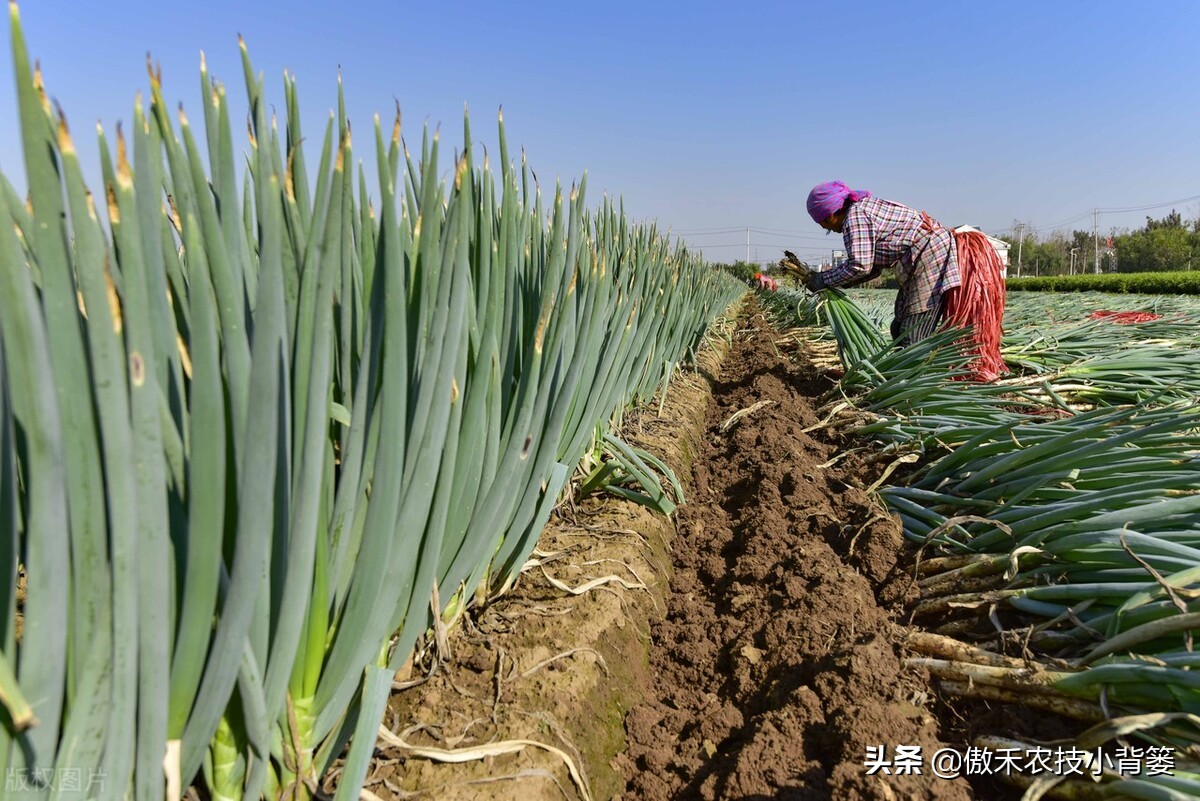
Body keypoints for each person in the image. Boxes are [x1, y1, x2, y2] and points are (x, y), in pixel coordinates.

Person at [791, 180, 1007, 379]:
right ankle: (901, 378)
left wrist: (820, 280)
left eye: (824, 225)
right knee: (899, 327)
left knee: (913, 334)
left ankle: (915, 391)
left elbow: (859, 266)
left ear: (829, 215)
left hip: (930, 256)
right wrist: (830, 283)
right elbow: (871, 268)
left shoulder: (854, 217)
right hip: (919, 259)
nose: (829, 230)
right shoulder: (862, 209)